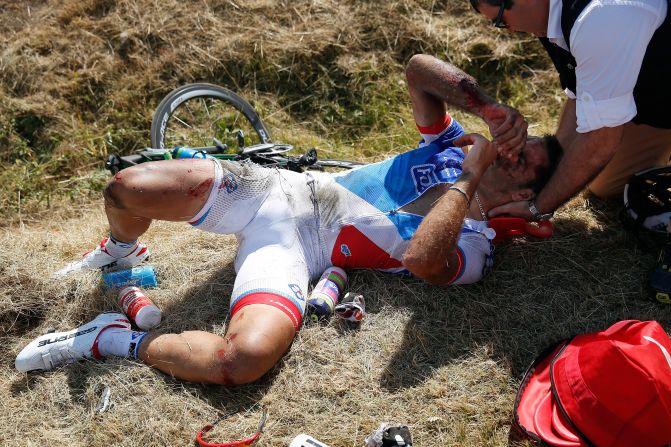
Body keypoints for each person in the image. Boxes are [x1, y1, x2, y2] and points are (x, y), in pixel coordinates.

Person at [15, 60, 562, 385]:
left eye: (526, 160)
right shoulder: (448, 142)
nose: (514, 149)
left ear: (522, 195)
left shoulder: (478, 245)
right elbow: (418, 67)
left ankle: (110, 340)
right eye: (521, 141)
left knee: (243, 360)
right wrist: (487, 106)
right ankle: (122, 251)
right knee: (128, 188)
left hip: (300, 250)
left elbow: (423, 261)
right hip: (277, 189)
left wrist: (469, 180)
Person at [468, 0, 671, 220]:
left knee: (594, 164)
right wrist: (552, 168)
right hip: (652, 97)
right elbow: (580, 92)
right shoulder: (547, 18)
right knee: (606, 183)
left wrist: (538, 207)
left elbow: (601, 141)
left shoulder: (598, 19)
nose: (509, 30)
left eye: (501, 21)